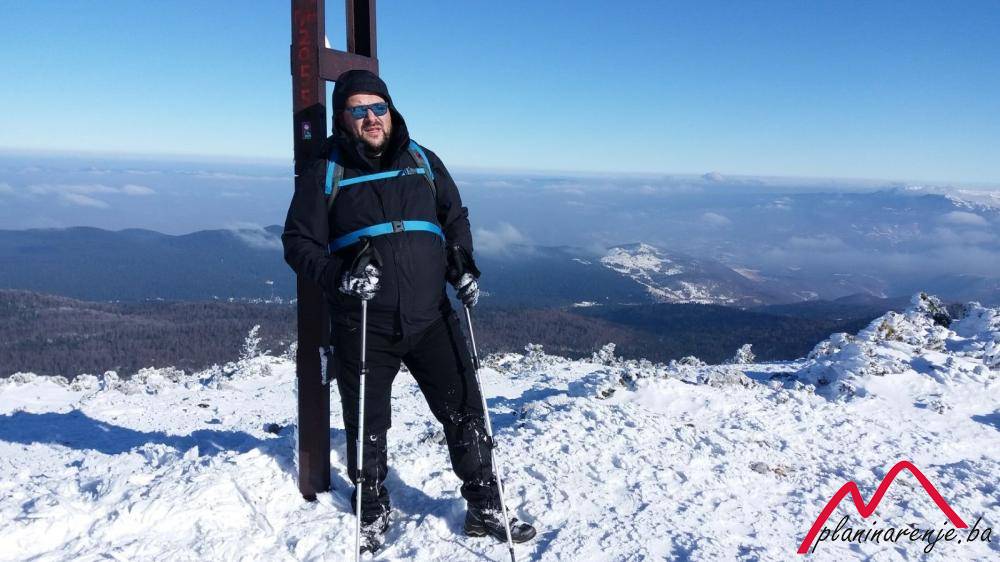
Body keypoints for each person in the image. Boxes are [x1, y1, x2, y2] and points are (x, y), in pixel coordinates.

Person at [281, 69, 535, 552]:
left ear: (391, 110)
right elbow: (298, 243)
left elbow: (454, 218)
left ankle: (485, 505)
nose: (371, 118)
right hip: (364, 322)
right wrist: (340, 275)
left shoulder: (422, 160)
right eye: (358, 110)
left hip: (432, 316)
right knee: (367, 423)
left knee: (465, 409)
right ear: (342, 118)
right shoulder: (326, 172)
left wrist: (461, 261)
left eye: (378, 107)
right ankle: (372, 508)